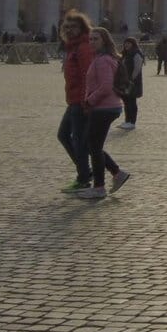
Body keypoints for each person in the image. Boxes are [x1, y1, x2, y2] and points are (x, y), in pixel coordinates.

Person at [76, 26, 131, 199]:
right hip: (107, 107)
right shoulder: (103, 58)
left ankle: (100, 186)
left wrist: (89, 101)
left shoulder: (103, 60)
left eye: (96, 39)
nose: (92, 42)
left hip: (103, 107)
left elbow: (106, 86)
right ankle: (116, 173)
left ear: (105, 41)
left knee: (92, 146)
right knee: (92, 145)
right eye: (90, 39)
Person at [57, 11, 94, 193]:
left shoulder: (83, 48)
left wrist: (85, 101)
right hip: (73, 99)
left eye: (74, 27)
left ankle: (84, 177)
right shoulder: (72, 46)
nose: (70, 30)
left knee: (78, 140)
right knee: (66, 136)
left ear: (82, 28)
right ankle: (88, 172)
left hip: (80, 101)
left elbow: (88, 75)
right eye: (67, 27)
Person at [118, 35, 145, 129]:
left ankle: (132, 122)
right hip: (125, 81)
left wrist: (131, 79)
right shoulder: (125, 54)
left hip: (132, 82)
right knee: (126, 101)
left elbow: (137, 68)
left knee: (132, 102)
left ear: (133, 44)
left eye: (128, 43)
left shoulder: (136, 53)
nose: (126, 45)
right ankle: (127, 121)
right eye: (125, 43)